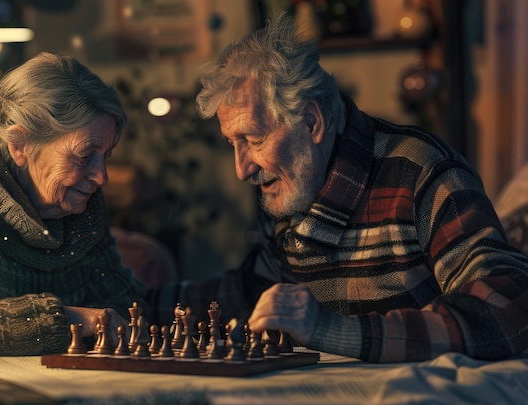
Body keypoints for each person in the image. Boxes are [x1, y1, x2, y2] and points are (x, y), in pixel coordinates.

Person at [149, 13, 528, 363]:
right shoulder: (290, 185)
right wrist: (123, 308)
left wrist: (333, 331)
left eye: (254, 139)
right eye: (234, 144)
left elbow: (509, 310)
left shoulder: (423, 172)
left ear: (312, 123)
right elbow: (248, 294)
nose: (241, 170)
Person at [0, 52, 149, 357]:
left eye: (106, 156)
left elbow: (125, 305)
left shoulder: (79, 204)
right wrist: (61, 320)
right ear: (20, 144)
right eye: (85, 156)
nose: (101, 176)